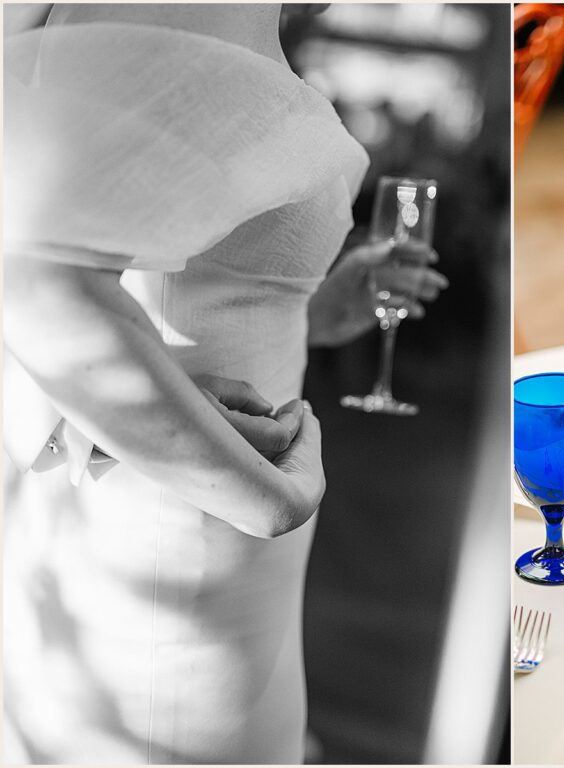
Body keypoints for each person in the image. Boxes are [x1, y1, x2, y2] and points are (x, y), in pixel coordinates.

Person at [3, 4, 445, 762]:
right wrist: (271, 498)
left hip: (210, 538)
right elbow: (40, 286)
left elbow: (160, 276)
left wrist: (310, 307)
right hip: (177, 546)